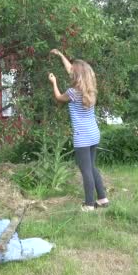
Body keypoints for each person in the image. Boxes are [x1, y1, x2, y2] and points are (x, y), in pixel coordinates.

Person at [48, 49, 110, 212]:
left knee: (86, 170)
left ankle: (89, 204)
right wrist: (61, 55)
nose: (71, 72)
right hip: (93, 134)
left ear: (77, 76)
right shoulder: (90, 91)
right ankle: (103, 199)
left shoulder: (72, 93)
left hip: (82, 136)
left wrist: (54, 82)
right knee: (92, 166)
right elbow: (71, 69)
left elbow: (59, 98)